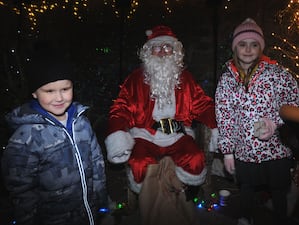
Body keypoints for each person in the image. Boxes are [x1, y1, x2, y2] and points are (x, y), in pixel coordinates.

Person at [104, 25, 218, 199]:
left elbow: (202, 104)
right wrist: (117, 133)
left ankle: (183, 199)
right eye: (157, 47)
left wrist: (217, 124)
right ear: (149, 52)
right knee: (139, 164)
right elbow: (120, 108)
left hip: (177, 134)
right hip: (145, 134)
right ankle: (150, 203)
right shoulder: (135, 79)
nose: (163, 52)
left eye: (167, 47)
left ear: (175, 51)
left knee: (195, 159)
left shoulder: (185, 78)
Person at [1, 50, 108, 225]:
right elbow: (21, 188)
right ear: (35, 93)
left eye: (65, 89)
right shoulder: (26, 136)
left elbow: (97, 162)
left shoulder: (81, 122)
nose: (59, 97)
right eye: (49, 91)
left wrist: (100, 199)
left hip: (88, 213)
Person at [215, 18, 299, 225]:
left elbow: (293, 103)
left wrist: (274, 123)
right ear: (235, 47)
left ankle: (281, 219)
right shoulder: (227, 80)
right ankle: (246, 217)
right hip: (245, 150)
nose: (248, 50)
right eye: (242, 44)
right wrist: (227, 151)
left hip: (276, 149)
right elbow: (224, 115)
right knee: (247, 188)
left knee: (279, 189)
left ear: (260, 47)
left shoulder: (277, 74)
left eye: (254, 44)